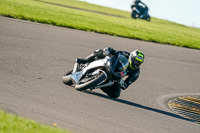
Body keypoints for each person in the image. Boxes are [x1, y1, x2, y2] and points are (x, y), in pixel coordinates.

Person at [76, 47, 145, 98]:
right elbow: (116, 53)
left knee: (116, 94)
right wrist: (109, 50)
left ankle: (97, 83)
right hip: (111, 65)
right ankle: (85, 60)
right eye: (136, 61)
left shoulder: (136, 73)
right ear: (131, 58)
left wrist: (122, 83)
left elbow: (126, 85)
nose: (136, 63)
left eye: (139, 62)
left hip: (116, 77)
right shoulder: (126, 54)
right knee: (101, 52)